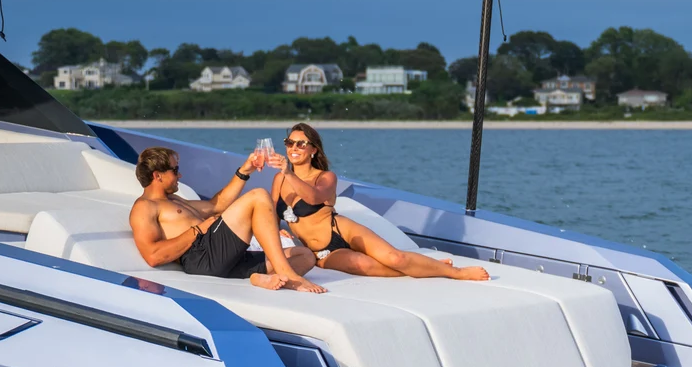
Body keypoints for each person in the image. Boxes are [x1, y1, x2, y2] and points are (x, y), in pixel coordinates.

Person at [269, 123, 489, 281]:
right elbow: (270, 213)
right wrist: (279, 229)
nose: (293, 148)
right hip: (320, 253)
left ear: (313, 149)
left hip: (340, 229)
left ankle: (456, 273)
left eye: (301, 144)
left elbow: (314, 197)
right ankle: (431, 267)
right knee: (368, 266)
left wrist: (289, 173)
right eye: (290, 143)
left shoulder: (325, 177)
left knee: (395, 258)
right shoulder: (279, 179)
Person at [129, 146, 326, 293]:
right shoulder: (144, 207)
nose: (180, 174)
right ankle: (287, 274)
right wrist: (198, 230)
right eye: (175, 169)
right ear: (157, 175)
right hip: (202, 257)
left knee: (305, 256)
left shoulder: (174, 200)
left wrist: (245, 170)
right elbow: (153, 255)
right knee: (258, 195)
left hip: (222, 256)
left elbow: (217, 205)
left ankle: (259, 278)